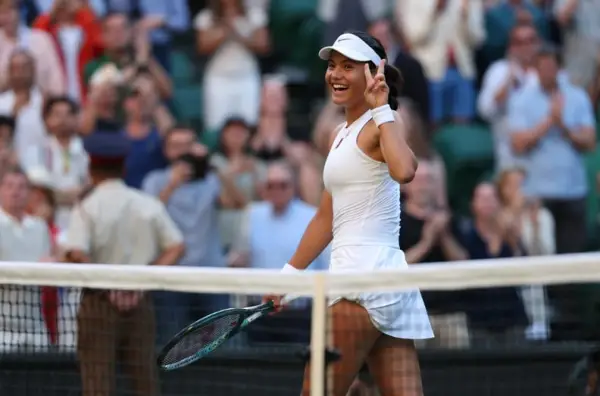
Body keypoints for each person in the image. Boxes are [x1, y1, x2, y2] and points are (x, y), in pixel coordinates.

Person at [264, 31, 433, 396]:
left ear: (374, 74)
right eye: (332, 66)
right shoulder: (340, 132)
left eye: (348, 67)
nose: (335, 75)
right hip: (387, 284)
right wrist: (289, 276)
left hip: (360, 280)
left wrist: (381, 106)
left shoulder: (384, 123)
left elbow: (404, 172)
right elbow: (327, 216)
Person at [64, 131, 185, 396]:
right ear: (124, 167)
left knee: (98, 385)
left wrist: (110, 288)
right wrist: (139, 284)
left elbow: (75, 252)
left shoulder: (87, 207)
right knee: (146, 384)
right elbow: (176, 246)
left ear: (91, 168)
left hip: (98, 305)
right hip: (140, 303)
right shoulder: (147, 204)